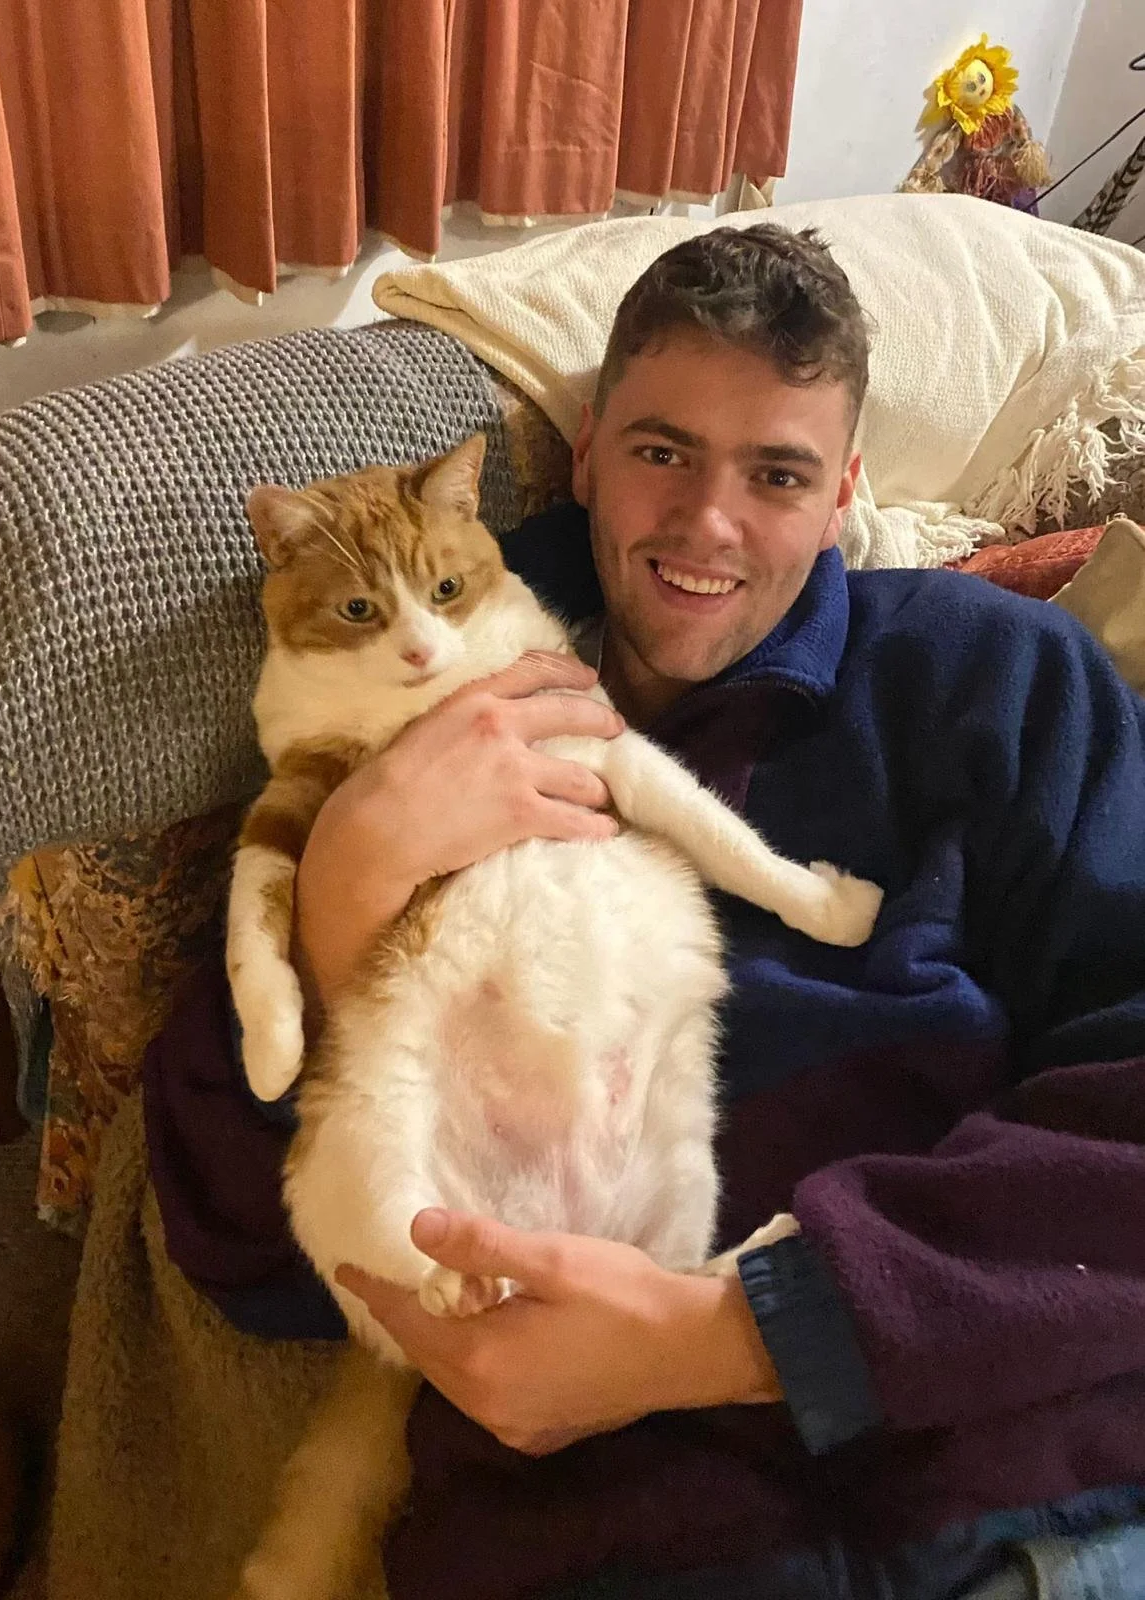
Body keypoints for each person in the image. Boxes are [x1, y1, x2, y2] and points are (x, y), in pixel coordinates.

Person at [145, 225, 1145, 1600]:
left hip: (1037, 1501)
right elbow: (229, 1238)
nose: (706, 526)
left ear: (844, 489)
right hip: (608, 1542)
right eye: (662, 453)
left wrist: (745, 1332)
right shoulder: (409, 701)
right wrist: (340, 899)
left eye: (778, 473)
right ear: (588, 450)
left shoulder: (990, 677)